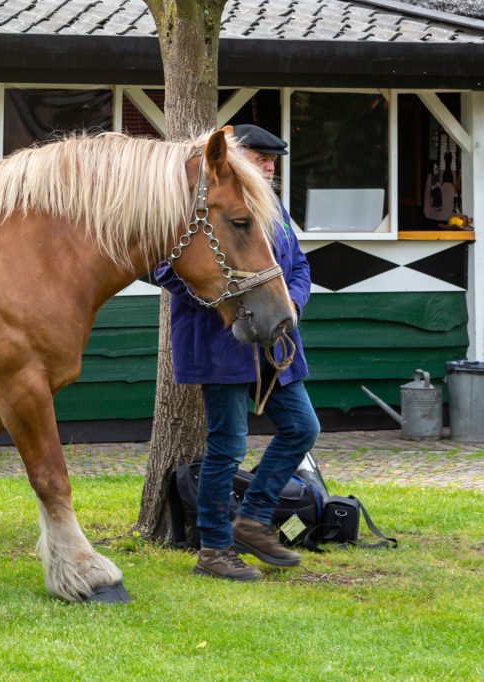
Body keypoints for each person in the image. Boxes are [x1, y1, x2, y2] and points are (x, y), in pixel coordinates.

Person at [153, 124, 320, 581]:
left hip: (275, 340)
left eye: (273, 161)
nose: (269, 167)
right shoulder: (193, 206)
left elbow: (299, 266)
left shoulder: (272, 207)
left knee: (303, 427)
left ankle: (253, 519)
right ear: (234, 159)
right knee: (227, 447)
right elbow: (164, 268)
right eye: (260, 159)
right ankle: (213, 549)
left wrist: (291, 307)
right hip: (219, 339)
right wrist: (222, 298)